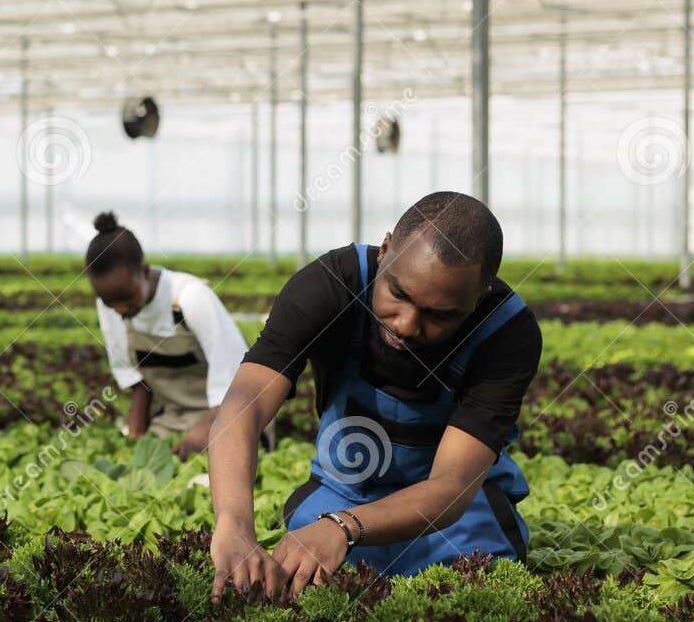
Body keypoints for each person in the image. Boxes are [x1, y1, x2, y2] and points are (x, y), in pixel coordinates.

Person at [206, 192, 542, 600]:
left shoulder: (507, 334)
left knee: (473, 579)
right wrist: (234, 525)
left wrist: (343, 527)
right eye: (398, 294)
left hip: (453, 516)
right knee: (296, 578)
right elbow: (245, 404)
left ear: (479, 297)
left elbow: (452, 484)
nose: (406, 325)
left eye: (439, 315)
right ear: (385, 250)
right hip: (344, 489)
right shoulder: (330, 285)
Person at [86, 212, 248, 456]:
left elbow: (239, 380)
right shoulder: (112, 306)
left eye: (128, 297)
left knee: (223, 462)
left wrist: (202, 434)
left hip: (231, 414)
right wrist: (135, 439)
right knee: (147, 462)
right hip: (174, 419)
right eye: (109, 301)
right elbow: (137, 382)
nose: (119, 309)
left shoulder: (190, 298)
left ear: (144, 271)